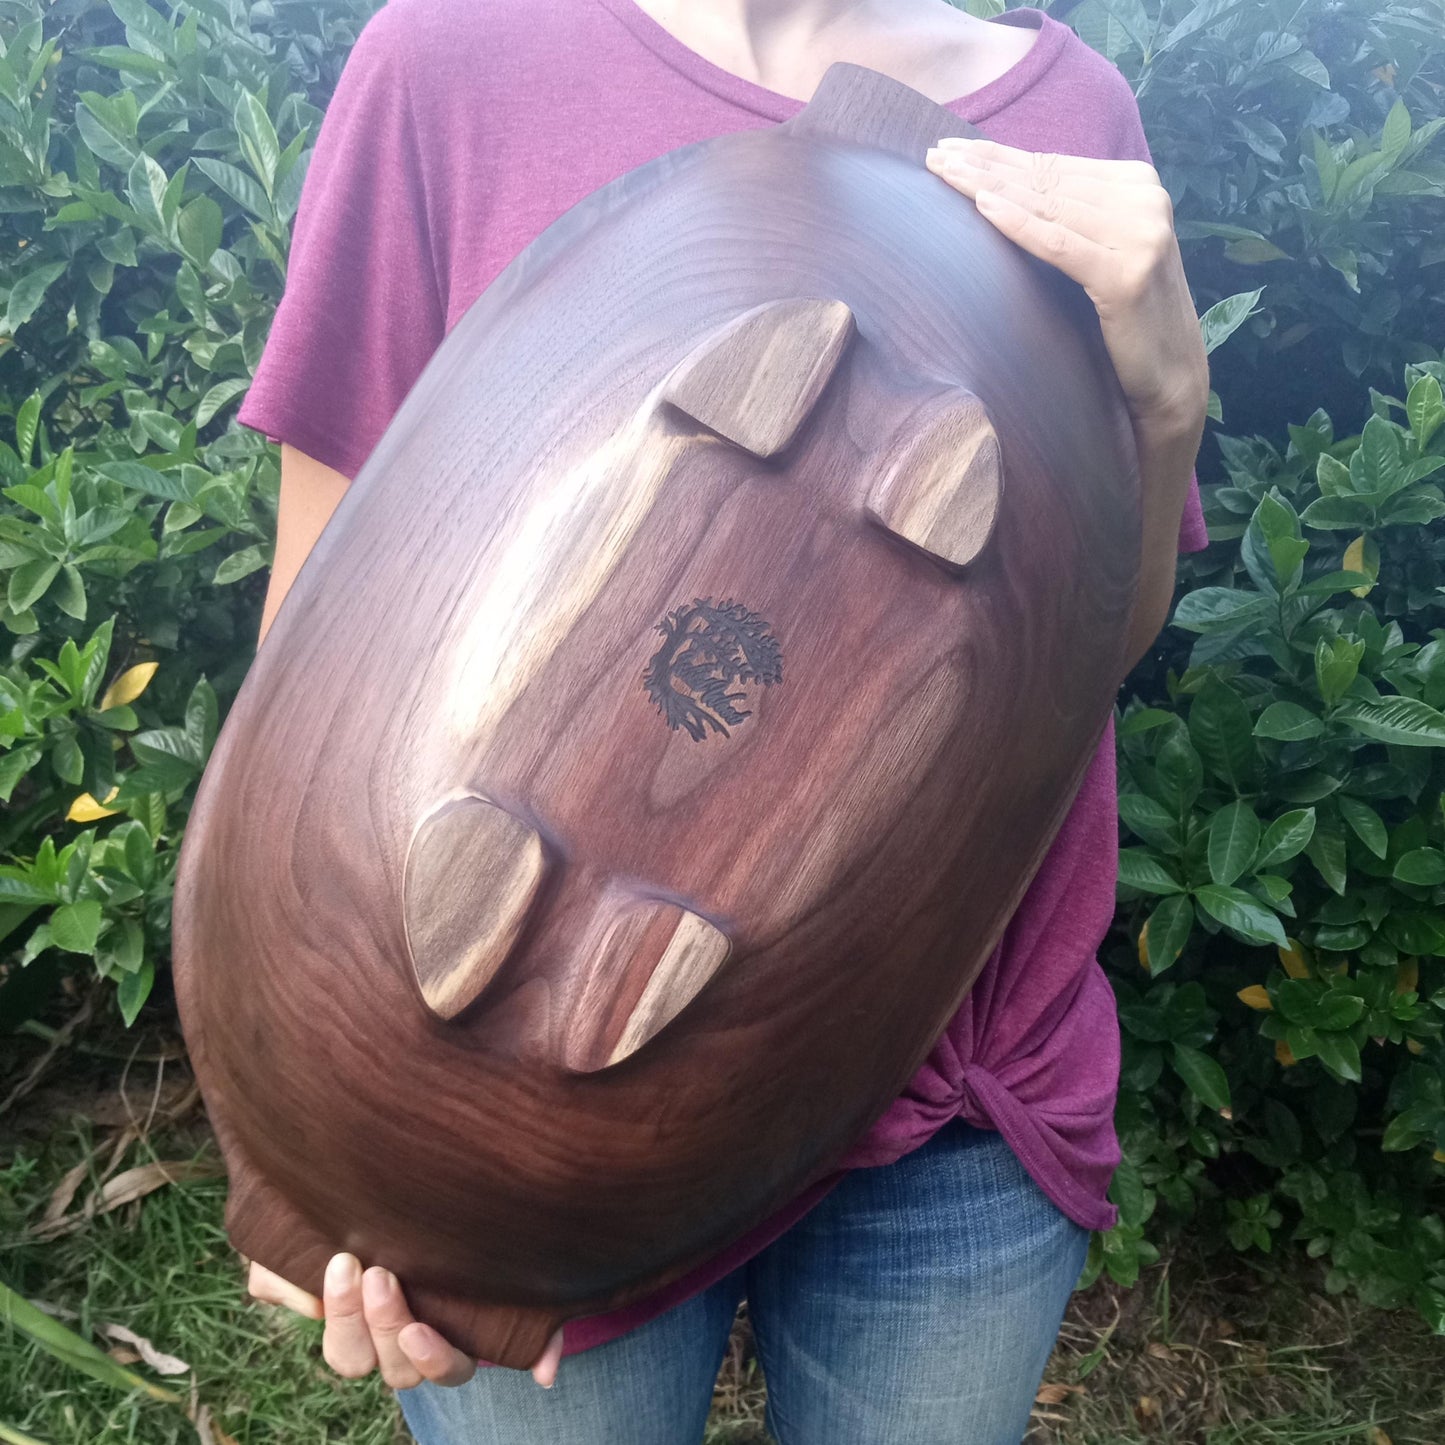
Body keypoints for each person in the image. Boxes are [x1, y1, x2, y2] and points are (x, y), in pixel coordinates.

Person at [233, 0, 1210, 1439]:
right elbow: (318, 632)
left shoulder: (1070, 118)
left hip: (958, 1080)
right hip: (510, 1105)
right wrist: (321, 1133)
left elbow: (1079, 664)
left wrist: (1169, 400)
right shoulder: (452, 58)